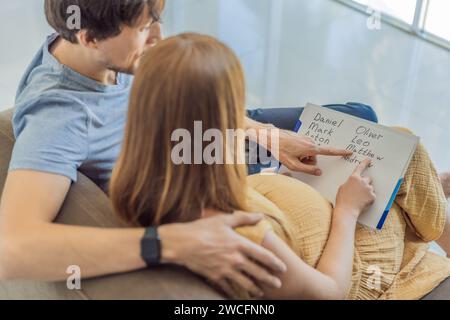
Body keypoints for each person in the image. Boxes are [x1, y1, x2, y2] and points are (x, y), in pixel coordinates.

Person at [0, 0, 371, 293]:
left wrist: (261, 132)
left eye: (156, 18)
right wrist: (164, 243)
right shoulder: (59, 116)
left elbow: (180, 95)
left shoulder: (99, 44)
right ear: (89, 39)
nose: (159, 37)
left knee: (359, 116)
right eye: (145, 28)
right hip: (194, 165)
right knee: (363, 148)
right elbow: (11, 250)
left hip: (196, 124)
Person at [110, 33, 450, 299]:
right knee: (405, 150)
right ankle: (431, 190)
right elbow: (329, 292)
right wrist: (346, 210)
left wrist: (275, 173)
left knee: (391, 159)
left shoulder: (138, 180)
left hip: (297, 213)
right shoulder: (232, 236)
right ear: (221, 115)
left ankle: (428, 186)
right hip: (355, 270)